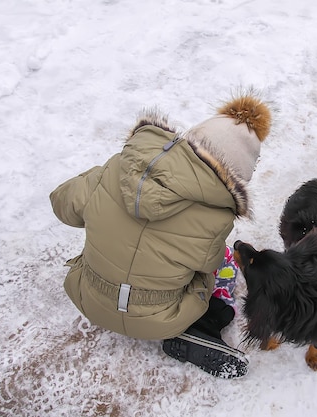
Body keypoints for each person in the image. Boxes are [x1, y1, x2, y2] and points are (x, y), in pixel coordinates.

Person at [49, 91, 272, 378]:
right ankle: (208, 323)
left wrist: (101, 180)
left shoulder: (117, 168)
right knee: (224, 263)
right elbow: (206, 266)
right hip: (163, 320)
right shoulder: (217, 215)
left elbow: (62, 204)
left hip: (88, 296)